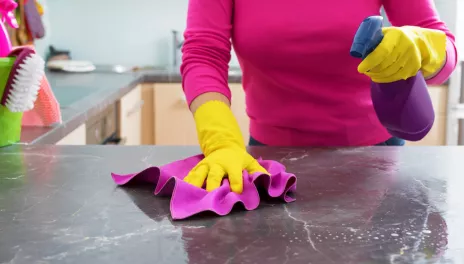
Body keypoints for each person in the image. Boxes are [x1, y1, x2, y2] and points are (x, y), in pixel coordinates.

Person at [180, 0, 458, 193]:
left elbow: (444, 45)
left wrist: (423, 47)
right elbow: (203, 53)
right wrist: (220, 142)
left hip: (376, 157)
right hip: (270, 160)